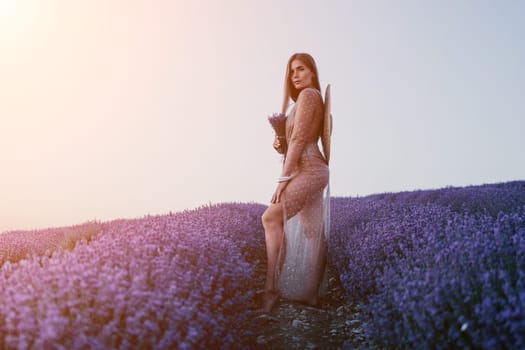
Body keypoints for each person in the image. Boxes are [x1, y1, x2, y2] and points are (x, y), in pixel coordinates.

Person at [260, 53, 331, 312]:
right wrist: (280, 144)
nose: (296, 76)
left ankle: (271, 290)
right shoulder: (303, 102)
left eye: (301, 69)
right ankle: (312, 293)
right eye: (292, 72)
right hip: (312, 169)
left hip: (309, 170)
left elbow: (301, 140)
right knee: (313, 232)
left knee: (270, 218)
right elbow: (294, 142)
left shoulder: (309, 96)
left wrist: (283, 179)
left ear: (313, 72)